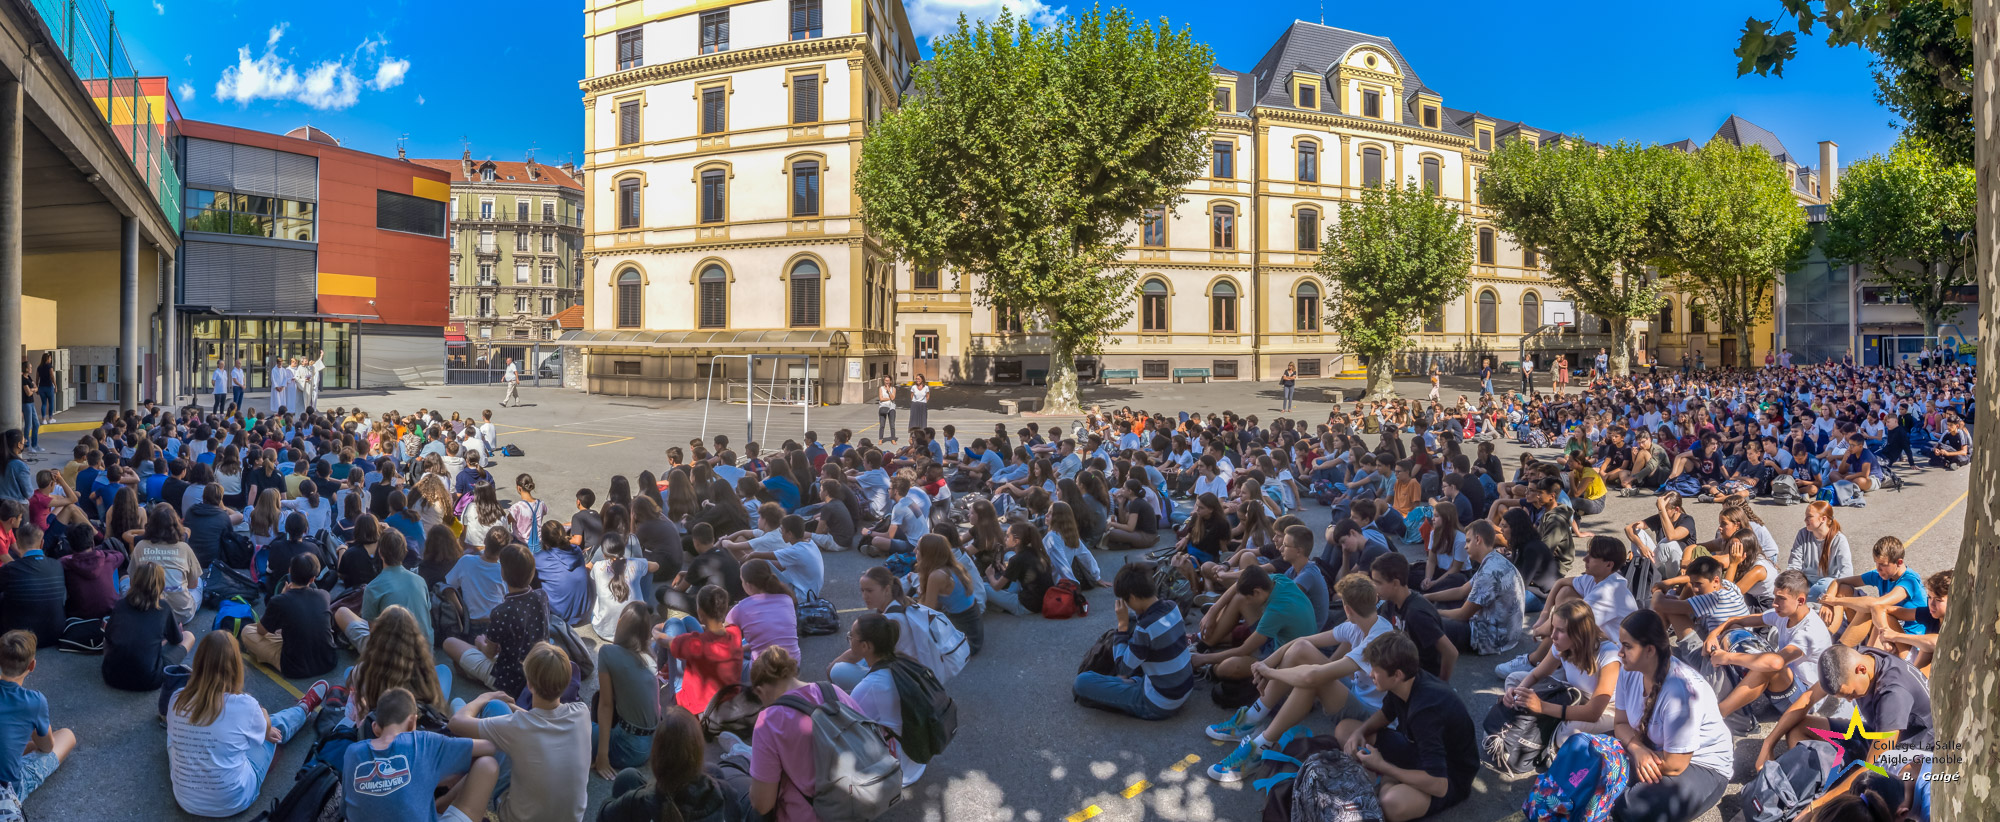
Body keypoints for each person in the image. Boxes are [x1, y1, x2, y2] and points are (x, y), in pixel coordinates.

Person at [1204, 573, 1391, 782]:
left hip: (1373, 716)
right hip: (1356, 694)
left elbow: (1313, 676)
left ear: (1347, 609)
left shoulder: (1376, 640)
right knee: (1301, 649)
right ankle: (1251, 722)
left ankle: (1257, 748)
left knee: (1310, 679)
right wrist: (1267, 663)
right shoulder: (1365, 623)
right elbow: (1300, 641)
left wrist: (1271, 673)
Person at [166, 631, 331, 817]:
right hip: (233, 800)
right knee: (272, 728)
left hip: (186, 800)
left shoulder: (176, 698)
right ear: (236, 666)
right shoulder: (245, 704)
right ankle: (303, 709)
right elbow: (265, 724)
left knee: (176, 739)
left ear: (198, 662)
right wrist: (264, 721)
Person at [1332, 631, 1478, 821]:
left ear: (1397, 675)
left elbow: (1439, 785)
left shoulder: (1425, 713)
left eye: (1375, 670)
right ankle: (1391, 777)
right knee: (1345, 730)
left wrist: (1383, 767)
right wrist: (1360, 731)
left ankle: (1387, 777)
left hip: (1449, 777)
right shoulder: (1406, 681)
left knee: (1392, 803)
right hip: (1416, 750)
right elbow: (1386, 714)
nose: (1370, 674)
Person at [1609, 610, 1734, 822]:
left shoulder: (1680, 691)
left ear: (1649, 650)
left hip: (1700, 765)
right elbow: (1620, 723)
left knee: (1631, 807)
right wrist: (1637, 749)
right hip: (1651, 748)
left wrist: (1634, 755)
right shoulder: (1628, 671)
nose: (1619, 652)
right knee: (1594, 760)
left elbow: (1675, 764)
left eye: (1627, 646)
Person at [448, 643, 592, 822]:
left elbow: (456, 723)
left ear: (529, 684)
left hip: (515, 817)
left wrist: (484, 697)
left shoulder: (516, 728)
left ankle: (459, 795)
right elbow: (544, 722)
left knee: (484, 706)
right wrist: (513, 708)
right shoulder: (582, 711)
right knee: (501, 711)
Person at [745, 646, 867, 821]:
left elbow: (763, 804)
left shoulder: (768, 721)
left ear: (760, 690)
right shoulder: (832, 691)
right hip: (858, 800)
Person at [343, 686, 500, 822]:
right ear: (412, 723)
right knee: (487, 764)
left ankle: (440, 805)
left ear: (375, 728)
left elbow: (346, 809)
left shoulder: (352, 752)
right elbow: (489, 747)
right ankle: (442, 804)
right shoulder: (423, 741)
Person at [1705, 569, 1832, 722]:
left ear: (1800, 601)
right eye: (1774, 596)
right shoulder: (1785, 614)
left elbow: (1776, 662)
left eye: (1781, 598)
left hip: (1805, 699)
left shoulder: (1809, 631)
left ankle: (1717, 715)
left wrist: (1728, 657)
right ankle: (1735, 694)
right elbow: (1737, 620)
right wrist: (1714, 634)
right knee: (1734, 631)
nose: (1774, 603)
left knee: (1770, 665)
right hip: (1788, 683)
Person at [1072, 563, 1192, 721]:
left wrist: (1122, 626)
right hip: (1182, 689)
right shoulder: (1172, 607)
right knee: (1132, 668)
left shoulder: (1145, 628)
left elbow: (1122, 667)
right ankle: (1131, 684)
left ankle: (1128, 690)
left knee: (1082, 682)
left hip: (1159, 703)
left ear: (1133, 597)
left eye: (1126, 601)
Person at [597, 705, 757, 822]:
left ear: (656, 759)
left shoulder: (637, 802)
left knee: (627, 777)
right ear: (699, 754)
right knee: (715, 770)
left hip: (646, 803)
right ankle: (742, 756)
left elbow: (603, 815)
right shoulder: (724, 792)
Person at [1500, 599, 1621, 750]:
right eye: (1553, 628)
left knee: (1565, 735)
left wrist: (1542, 707)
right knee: (1514, 679)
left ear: (1579, 634)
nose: (1553, 636)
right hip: (1574, 694)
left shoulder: (1608, 655)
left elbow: (1593, 713)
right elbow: (1536, 675)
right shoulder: (1562, 645)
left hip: (1607, 709)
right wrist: (1517, 692)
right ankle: (1549, 720)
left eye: (1561, 631)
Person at [445, 545, 549, 698]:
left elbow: (489, 652)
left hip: (508, 678)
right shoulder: (541, 595)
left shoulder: (501, 612)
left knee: (449, 643)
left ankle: (479, 678)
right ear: (532, 572)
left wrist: (480, 642)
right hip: (539, 668)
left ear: (503, 574)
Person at [846, 612, 929, 786]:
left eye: (851, 636)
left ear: (866, 646)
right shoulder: (904, 662)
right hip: (917, 759)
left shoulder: (869, 687)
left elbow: (847, 727)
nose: (849, 639)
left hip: (900, 771)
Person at [0, 630, 75, 813]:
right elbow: (47, 747)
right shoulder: (34, 701)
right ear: (32, 665)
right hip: (8, 790)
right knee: (67, 735)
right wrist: (32, 745)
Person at [1429, 520, 1525, 656]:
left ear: (1478, 539)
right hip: (1506, 632)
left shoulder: (1489, 572)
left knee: (1426, 621)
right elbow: (1462, 591)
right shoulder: (1494, 559)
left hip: (1493, 638)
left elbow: (1463, 614)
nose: (1465, 547)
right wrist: (1426, 597)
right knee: (1447, 594)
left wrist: (1433, 611)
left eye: (1468, 541)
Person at [101, 561, 198, 692]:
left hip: (111, 676)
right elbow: (176, 639)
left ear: (134, 580)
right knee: (189, 636)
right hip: (149, 680)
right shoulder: (163, 608)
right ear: (161, 584)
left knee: (110, 638)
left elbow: (109, 636)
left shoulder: (120, 604)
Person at [239, 553, 338, 679]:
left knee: (248, 631)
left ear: (290, 571)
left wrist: (280, 596)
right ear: (313, 579)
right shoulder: (324, 595)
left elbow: (261, 631)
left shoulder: (279, 600)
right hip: (328, 661)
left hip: (295, 667)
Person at [334, 529, 434, 651]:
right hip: (426, 652)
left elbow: (373, 633)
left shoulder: (373, 587)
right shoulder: (420, 581)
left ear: (380, 553)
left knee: (342, 612)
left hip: (390, 656)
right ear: (405, 551)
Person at [594, 603, 661, 778]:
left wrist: (602, 757)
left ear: (620, 623)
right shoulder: (651, 655)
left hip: (628, 745)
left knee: (576, 727)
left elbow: (606, 704)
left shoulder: (607, 652)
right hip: (650, 741)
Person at [1369, 553, 1456, 680]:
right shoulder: (1390, 603)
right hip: (1404, 668)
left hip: (1422, 677)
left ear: (1395, 583)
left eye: (1378, 583)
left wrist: (1440, 685)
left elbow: (1450, 652)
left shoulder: (1416, 614)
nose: (1374, 587)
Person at [665, 584, 742, 715]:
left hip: (692, 707)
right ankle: (660, 670)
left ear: (700, 613)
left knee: (673, 623)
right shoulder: (735, 632)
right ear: (726, 610)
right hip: (727, 700)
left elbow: (663, 640)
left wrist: (655, 629)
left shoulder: (696, 644)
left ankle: (658, 671)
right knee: (688, 620)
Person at [916, 534, 983, 655]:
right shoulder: (953, 566)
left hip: (965, 641)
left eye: (918, 549)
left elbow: (927, 612)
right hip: (974, 631)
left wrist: (918, 593)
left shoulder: (936, 575)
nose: (915, 551)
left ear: (928, 554)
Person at [0, 525, 64, 646]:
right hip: (55, 634)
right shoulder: (57, 565)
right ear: (42, 543)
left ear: (17, 545)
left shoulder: (10, 569)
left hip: (19, 638)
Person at [589, 533, 656, 640]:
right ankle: (644, 606)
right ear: (623, 550)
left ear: (604, 554)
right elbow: (656, 566)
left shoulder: (597, 566)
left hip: (603, 630)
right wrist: (640, 563)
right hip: (633, 632)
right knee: (648, 572)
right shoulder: (637, 563)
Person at [875, 375, 898, 443]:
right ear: (884, 381)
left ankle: (893, 439)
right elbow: (881, 399)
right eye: (886, 380)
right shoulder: (881, 388)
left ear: (890, 381)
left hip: (891, 407)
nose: (887, 382)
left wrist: (889, 391)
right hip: (883, 407)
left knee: (892, 424)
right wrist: (889, 398)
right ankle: (880, 439)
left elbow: (893, 398)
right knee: (882, 424)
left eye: (888, 380)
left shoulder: (893, 389)